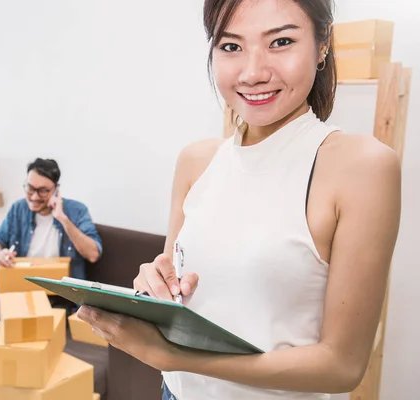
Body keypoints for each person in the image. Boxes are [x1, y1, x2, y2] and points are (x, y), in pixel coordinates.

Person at [76, 1, 401, 399]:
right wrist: (154, 287)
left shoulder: (363, 166)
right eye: (232, 47)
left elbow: (342, 366)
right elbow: (176, 291)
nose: (253, 72)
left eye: (280, 41)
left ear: (322, 46)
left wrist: (174, 356)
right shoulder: (196, 161)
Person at [0, 158, 102, 335]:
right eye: (30, 188)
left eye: (43, 191)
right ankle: (2, 323)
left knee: (53, 312)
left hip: (56, 294)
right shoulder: (18, 209)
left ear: (56, 189)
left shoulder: (76, 211)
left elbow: (93, 253)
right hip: (21, 282)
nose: (34, 197)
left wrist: (62, 219)